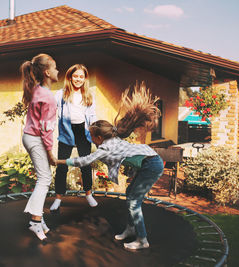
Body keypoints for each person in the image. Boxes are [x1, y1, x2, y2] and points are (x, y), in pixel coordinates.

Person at [57, 83, 164, 250]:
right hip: (149, 161)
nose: (90, 138)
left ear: (99, 137)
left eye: (91, 135)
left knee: (134, 201)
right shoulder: (111, 139)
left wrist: (60, 161)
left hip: (151, 164)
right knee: (130, 194)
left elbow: (84, 161)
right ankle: (130, 230)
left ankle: (142, 240)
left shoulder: (106, 147)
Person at [20, 53, 58, 240]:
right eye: (55, 67)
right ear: (47, 72)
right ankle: (35, 222)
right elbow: (46, 128)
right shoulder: (47, 97)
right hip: (36, 138)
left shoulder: (36, 89)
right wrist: (50, 153)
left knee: (43, 178)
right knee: (44, 179)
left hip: (29, 136)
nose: (58, 70)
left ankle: (38, 219)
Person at [50, 64, 98, 212]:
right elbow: (52, 111)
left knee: (85, 164)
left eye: (81, 77)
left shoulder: (88, 95)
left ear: (85, 79)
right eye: (75, 76)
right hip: (66, 131)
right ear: (70, 77)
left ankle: (88, 194)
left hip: (83, 131)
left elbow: (92, 115)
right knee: (62, 166)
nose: (78, 79)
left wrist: (96, 131)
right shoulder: (61, 93)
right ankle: (58, 198)